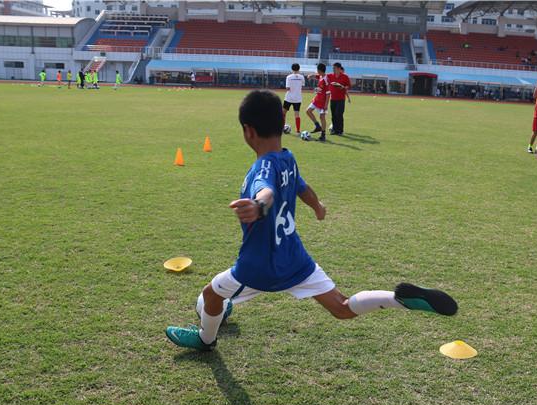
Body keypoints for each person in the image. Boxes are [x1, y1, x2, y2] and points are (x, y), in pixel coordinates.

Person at [165, 90, 457, 351]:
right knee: (342, 307)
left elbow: (265, 191)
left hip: (260, 266)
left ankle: (206, 340)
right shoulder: (287, 157)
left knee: (210, 296)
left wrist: (258, 206)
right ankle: (398, 299)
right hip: (295, 258)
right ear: (282, 122)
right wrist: (317, 205)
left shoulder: (262, 167)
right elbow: (302, 187)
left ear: (248, 131)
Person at [305, 63, 329, 142]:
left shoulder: (326, 79)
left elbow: (328, 93)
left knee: (322, 117)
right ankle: (317, 126)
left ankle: (323, 135)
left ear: (319, 70)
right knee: (308, 111)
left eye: (317, 70)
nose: (316, 71)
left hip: (322, 102)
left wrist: (326, 104)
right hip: (316, 99)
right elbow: (316, 76)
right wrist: (310, 76)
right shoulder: (321, 76)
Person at [326, 62, 350, 135]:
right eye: (333, 68)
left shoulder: (345, 77)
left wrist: (343, 87)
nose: (333, 70)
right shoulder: (330, 75)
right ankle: (334, 130)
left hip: (341, 99)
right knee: (333, 115)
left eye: (334, 68)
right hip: (332, 99)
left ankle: (340, 131)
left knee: (339, 114)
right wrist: (313, 75)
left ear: (339, 69)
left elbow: (348, 85)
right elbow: (321, 76)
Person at [283, 63, 305, 134]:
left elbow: (287, 88)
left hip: (289, 98)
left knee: (283, 113)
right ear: (299, 69)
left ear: (292, 69)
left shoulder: (289, 77)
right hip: (298, 98)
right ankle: (298, 131)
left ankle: (282, 128)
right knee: (297, 114)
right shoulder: (302, 77)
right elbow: (302, 85)